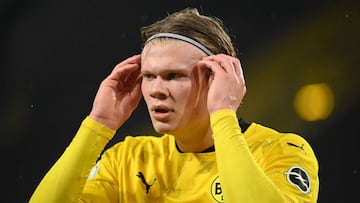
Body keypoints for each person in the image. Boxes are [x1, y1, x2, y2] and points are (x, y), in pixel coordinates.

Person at [30, 7, 319, 203]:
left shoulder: (282, 152)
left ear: (215, 78)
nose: (156, 90)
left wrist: (222, 113)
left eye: (173, 76)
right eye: (149, 76)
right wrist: (97, 125)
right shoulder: (127, 160)